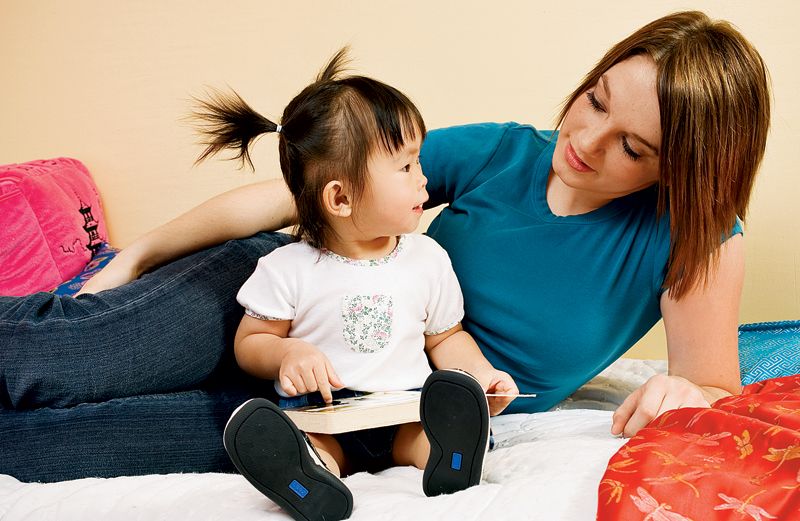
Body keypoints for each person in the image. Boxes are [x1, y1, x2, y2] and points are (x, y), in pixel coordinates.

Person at [0, 10, 770, 482]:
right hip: (283, 289)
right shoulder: (502, 151)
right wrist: (135, 257)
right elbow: (298, 193)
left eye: (631, 146)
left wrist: (685, 395)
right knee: (65, 357)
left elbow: (714, 389)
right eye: (594, 98)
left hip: (360, 405)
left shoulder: (694, 237)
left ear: (686, 168)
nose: (585, 140)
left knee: (48, 444)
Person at [191, 49, 518, 519]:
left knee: (434, 427)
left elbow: (445, 337)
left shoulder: (427, 258)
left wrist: (480, 377)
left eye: (418, 162)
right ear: (340, 198)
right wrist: (287, 353)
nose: (424, 179)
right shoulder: (289, 267)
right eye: (406, 167)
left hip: (406, 408)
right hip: (329, 411)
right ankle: (309, 477)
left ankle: (453, 459)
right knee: (311, 441)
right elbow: (252, 342)